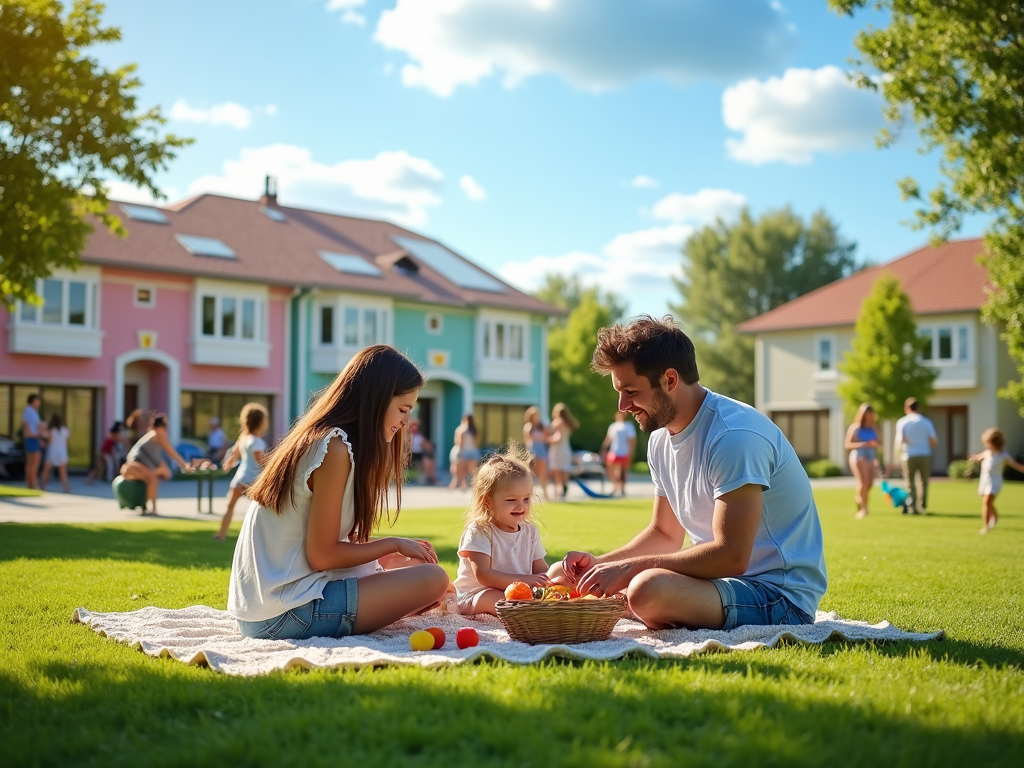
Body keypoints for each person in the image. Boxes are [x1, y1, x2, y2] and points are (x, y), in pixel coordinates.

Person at [554, 316, 827, 632]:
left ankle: (634, 600)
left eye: (630, 390)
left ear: (670, 380)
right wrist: (600, 566)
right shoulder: (659, 438)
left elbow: (732, 556)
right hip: (720, 585)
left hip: (778, 597)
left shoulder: (733, 436)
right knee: (578, 579)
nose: (623, 404)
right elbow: (665, 534)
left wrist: (627, 570)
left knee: (645, 589)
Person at [228, 345, 450, 640]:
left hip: (267, 607)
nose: (406, 422)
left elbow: (319, 551)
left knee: (413, 568)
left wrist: (389, 555)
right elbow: (322, 555)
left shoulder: (327, 439)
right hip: (284, 613)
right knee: (433, 579)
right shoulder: (335, 446)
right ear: (376, 400)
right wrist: (392, 544)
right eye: (403, 410)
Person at [453, 444, 548, 616]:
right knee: (497, 598)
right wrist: (526, 581)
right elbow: (483, 574)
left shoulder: (529, 531)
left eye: (526, 499)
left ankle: (527, 609)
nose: (521, 506)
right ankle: (522, 611)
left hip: (519, 594)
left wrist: (550, 581)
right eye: (511, 500)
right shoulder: (480, 530)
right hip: (477, 593)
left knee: (556, 571)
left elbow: (540, 569)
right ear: (488, 501)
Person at [215, 403, 270, 542]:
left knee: (230, 507)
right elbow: (261, 462)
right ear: (261, 422)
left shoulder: (244, 438)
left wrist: (227, 464)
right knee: (263, 511)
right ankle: (260, 539)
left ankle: (220, 535)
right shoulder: (257, 442)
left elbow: (234, 454)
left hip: (239, 478)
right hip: (252, 481)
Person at [120, 414, 193, 515]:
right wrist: (185, 464)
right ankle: (151, 509)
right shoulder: (157, 435)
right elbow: (171, 452)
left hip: (131, 466)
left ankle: (147, 508)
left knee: (151, 478)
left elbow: (157, 457)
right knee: (153, 478)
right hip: (132, 466)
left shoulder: (152, 434)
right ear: (162, 427)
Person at [967, 428, 1024, 534]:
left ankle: (986, 527)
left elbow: (1016, 466)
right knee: (988, 503)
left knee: (987, 502)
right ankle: (995, 517)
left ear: (995, 442)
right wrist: (974, 458)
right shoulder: (987, 452)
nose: (986, 445)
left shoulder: (1003, 455)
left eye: (988, 442)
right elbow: (979, 458)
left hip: (995, 482)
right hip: (984, 480)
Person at [893, 397, 937, 515]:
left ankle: (911, 506)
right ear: (919, 408)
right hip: (924, 454)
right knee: (923, 482)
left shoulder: (903, 422)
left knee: (910, 482)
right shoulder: (926, 422)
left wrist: (898, 455)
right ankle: (921, 505)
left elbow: (899, 441)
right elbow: (934, 441)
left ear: (907, 408)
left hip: (908, 455)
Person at [845, 403, 880, 519]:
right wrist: (863, 444)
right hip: (859, 455)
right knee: (863, 482)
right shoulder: (855, 427)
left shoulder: (873, 427)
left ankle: (859, 497)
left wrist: (875, 444)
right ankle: (864, 509)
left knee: (869, 483)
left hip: (871, 455)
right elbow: (847, 444)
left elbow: (880, 442)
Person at [601, 410, 637, 496]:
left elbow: (632, 441)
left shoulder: (629, 426)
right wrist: (604, 448)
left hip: (624, 451)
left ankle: (622, 488)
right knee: (610, 469)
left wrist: (630, 452)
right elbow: (608, 438)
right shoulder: (613, 426)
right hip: (614, 451)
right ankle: (614, 485)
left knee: (622, 471)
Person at [547, 403, 578, 499]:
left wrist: (547, 439)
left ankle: (557, 490)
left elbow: (557, 438)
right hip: (566, 448)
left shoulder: (557, 422)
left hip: (557, 449)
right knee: (564, 470)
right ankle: (564, 487)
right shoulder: (567, 423)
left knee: (556, 471)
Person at [523, 406, 549, 499]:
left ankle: (545, 493)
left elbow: (546, 438)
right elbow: (526, 440)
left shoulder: (542, 427)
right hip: (532, 449)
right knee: (531, 471)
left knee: (543, 471)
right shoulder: (528, 427)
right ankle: (530, 493)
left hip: (541, 449)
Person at [39, 413, 70, 493]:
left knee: (46, 470)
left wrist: (44, 445)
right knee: (63, 473)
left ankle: (43, 486)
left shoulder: (51, 431)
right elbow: (67, 443)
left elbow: (49, 442)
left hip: (52, 452)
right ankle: (66, 488)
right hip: (62, 453)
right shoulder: (65, 430)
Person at [448, 414, 480, 490]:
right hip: (472, 453)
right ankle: (470, 486)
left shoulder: (461, 429)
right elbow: (475, 443)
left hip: (462, 452)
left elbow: (459, 443)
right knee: (472, 472)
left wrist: (459, 453)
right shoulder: (473, 430)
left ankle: (456, 484)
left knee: (457, 470)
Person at [21, 394, 43, 490]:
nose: (39, 403)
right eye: (37, 401)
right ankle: (31, 484)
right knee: (32, 463)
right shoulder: (28, 411)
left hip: (34, 438)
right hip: (31, 439)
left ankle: (32, 484)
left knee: (33, 463)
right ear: (32, 401)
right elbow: (26, 425)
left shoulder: (34, 412)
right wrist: (32, 435)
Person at [408, 418, 437, 485]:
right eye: (415, 425)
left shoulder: (419, 434)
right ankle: (429, 478)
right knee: (426, 460)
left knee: (430, 458)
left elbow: (427, 446)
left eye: (418, 425)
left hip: (419, 453)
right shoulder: (408, 434)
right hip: (411, 454)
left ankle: (431, 477)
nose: (417, 426)